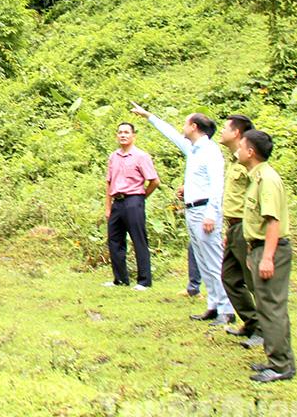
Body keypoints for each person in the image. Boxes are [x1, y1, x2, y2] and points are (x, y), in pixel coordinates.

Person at [131, 103, 234, 325]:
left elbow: (217, 185)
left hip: (205, 210)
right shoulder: (194, 149)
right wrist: (150, 116)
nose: (182, 128)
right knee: (203, 260)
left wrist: (211, 215)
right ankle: (213, 306)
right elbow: (172, 136)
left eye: (185, 124)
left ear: (194, 126)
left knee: (214, 261)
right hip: (192, 209)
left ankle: (227, 309)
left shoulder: (211, 152)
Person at [237, 129, 296, 383]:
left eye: (241, 147)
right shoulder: (256, 177)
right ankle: (276, 359)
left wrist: (268, 257)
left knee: (272, 308)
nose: (237, 151)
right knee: (267, 306)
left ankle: (282, 365)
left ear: (251, 152)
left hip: (271, 248)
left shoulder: (267, 180)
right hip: (259, 247)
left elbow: (273, 221)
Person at [219, 114, 262, 348]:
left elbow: (257, 198)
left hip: (245, 228)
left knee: (253, 281)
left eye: (225, 128)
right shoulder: (235, 161)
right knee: (230, 278)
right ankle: (252, 321)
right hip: (233, 227)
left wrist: (250, 233)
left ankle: (265, 329)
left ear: (236, 133)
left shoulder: (249, 163)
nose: (221, 131)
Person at [103, 121, 160, 290]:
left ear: (133, 135)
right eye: (120, 132)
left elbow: (154, 181)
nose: (123, 135)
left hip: (134, 200)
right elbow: (108, 182)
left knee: (138, 239)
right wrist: (107, 207)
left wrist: (141, 197)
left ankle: (144, 281)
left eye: (127, 132)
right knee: (115, 240)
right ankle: (120, 279)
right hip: (117, 201)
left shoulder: (141, 156)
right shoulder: (113, 156)